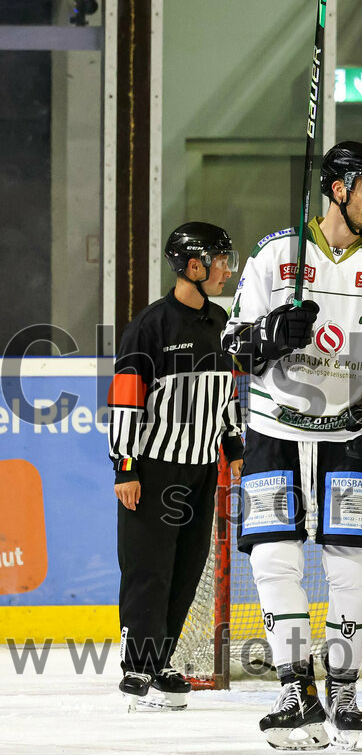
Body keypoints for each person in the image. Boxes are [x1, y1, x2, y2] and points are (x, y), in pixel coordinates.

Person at [222, 141, 362, 751]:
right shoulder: (276, 254)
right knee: (273, 560)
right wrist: (270, 333)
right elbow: (233, 347)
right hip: (273, 429)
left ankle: (345, 684)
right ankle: (294, 687)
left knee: (351, 564)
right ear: (336, 188)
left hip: (349, 437)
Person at [109, 222, 243, 710]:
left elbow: (226, 390)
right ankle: (136, 666)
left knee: (186, 568)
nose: (227, 269)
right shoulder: (151, 325)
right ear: (193, 266)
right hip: (154, 468)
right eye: (221, 260)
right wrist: (125, 466)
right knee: (150, 568)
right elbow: (126, 400)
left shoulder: (220, 322)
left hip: (202, 467)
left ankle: (162, 661)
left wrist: (233, 443)